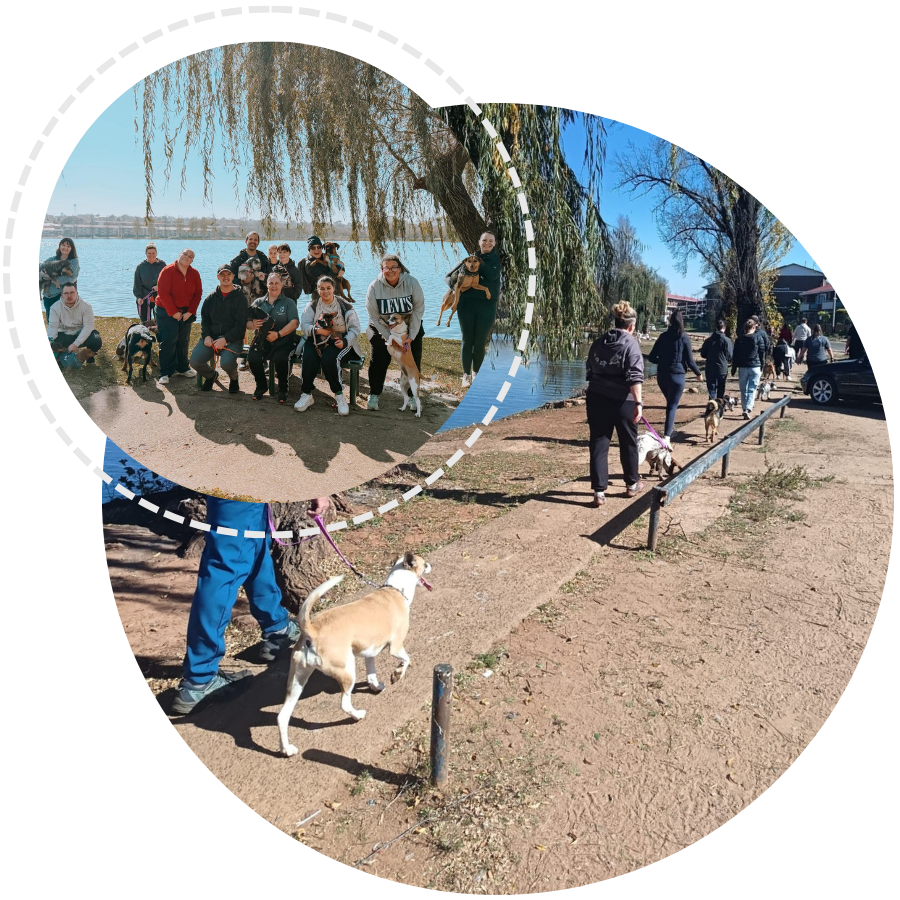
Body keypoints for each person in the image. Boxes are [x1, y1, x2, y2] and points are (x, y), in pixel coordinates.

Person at [172, 496, 331, 715]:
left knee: (256, 546)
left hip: (245, 486)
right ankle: (199, 680)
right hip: (237, 487)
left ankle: (277, 628)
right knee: (224, 567)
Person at [585, 300, 645, 506]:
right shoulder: (631, 344)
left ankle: (599, 492)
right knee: (628, 442)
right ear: (631, 326)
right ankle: (632, 484)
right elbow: (635, 377)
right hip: (623, 401)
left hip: (596, 397)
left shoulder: (598, 342)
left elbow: (589, 370)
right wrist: (639, 403)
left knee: (599, 443)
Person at [294, 275, 363, 416]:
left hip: (339, 341)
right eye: (322, 288)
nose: (325, 291)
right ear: (317, 290)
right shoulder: (312, 306)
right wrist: (317, 330)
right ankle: (306, 394)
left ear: (333, 289)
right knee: (308, 357)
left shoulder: (345, 306)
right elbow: (304, 325)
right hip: (316, 339)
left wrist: (344, 341)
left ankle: (339, 395)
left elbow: (355, 329)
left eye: (328, 288)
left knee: (329, 359)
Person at [364, 253, 426, 410]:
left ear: (400, 269)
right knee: (378, 361)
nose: (390, 271)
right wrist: (389, 338)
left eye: (394, 267)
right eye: (386, 268)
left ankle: (412, 396)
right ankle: (374, 394)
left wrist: (411, 336)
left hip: (408, 328)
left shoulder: (412, 283)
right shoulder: (374, 286)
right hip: (381, 328)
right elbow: (373, 316)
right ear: (382, 269)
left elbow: (418, 310)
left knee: (411, 362)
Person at [189, 264, 250, 393]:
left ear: (233, 276)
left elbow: (241, 326)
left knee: (226, 363)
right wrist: (206, 336)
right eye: (222, 275)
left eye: (228, 274)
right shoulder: (210, 298)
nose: (226, 277)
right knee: (195, 361)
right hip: (212, 339)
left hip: (233, 340)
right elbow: (205, 321)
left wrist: (225, 339)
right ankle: (211, 376)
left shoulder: (240, 298)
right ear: (218, 277)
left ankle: (234, 379)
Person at [647, 309, 702, 442]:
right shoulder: (684, 337)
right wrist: (698, 373)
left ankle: (669, 431)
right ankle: (667, 437)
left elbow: (652, 357)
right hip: (677, 376)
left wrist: (663, 361)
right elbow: (690, 361)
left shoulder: (662, 336)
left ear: (670, 321)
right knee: (672, 405)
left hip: (662, 376)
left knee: (671, 403)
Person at [456, 231, 502, 387]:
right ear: (479, 242)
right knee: (467, 339)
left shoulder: (496, 260)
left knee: (480, 340)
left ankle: (476, 373)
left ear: (494, 243)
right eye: (484, 240)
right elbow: (457, 278)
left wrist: (478, 263)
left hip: (487, 305)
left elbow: (492, 275)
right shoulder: (470, 258)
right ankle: (466, 375)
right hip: (466, 304)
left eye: (491, 241)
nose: (487, 243)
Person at [248, 272, 300, 403]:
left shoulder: (289, 302)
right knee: (252, 357)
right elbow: (247, 322)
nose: (274, 286)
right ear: (267, 285)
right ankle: (261, 385)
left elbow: (294, 323)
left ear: (282, 285)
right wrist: (253, 325)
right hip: (262, 340)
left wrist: (278, 334)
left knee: (280, 358)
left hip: (284, 339)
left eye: (277, 283)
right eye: (271, 283)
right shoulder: (258, 302)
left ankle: (283, 389)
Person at [155, 248, 203, 385]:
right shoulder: (167, 271)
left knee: (183, 340)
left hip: (186, 312)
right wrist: (173, 312)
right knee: (169, 340)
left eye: (190, 256)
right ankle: (165, 372)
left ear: (192, 260)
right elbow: (163, 293)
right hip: (166, 310)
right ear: (179, 255)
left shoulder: (194, 273)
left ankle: (182, 368)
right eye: (185, 254)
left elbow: (198, 294)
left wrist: (191, 311)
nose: (187, 257)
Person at [46, 282, 102, 367]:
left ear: (77, 293)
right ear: (62, 295)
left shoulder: (86, 306)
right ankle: (61, 356)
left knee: (96, 340)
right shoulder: (54, 307)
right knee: (51, 342)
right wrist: (50, 339)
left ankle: (89, 356)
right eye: (66, 293)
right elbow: (53, 326)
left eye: (72, 292)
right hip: (64, 335)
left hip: (80, 334)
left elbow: (88, 327)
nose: (69, 296)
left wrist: (76, 344)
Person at [731, 318, 769, 419]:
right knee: (752, 389)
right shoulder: (758, 338)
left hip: (743, 367)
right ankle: (748, 408)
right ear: (754, 327)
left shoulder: (739, 339)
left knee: (743, 389)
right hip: (755, 366)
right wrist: (762, 365)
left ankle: (744, 408)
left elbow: (735, 354)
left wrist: (734, 367)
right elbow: (762, 352)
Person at [38, 237, 80, 319]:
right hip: (49, 296)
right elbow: (39, 267)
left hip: (65, 296)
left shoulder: (74, 261)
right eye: (63, 245)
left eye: (68, 246)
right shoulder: (52, 259)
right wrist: (41, 274)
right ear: (59, 246)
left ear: (71, 248)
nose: (65, 248)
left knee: (66, 321)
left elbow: (71, 279)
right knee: (51, 322)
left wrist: (51, 278)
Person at [132, 242, 167, 327]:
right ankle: (145, 334)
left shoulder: (162, 265)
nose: (151, 255)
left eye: (153, 253)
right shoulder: (140, 267)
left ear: (156, 253)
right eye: (149, 253)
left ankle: (160, 334)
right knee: (144, 322)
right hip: (144, 297)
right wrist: (138, 297)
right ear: (146, 253)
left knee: (160, 320)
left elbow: (167, 281)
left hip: (158, 296)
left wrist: (159, 287)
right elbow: (137, 284)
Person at [700, 318, 733, 401]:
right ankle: (719, 403)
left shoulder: (708, 340)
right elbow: (730, 356)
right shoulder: (727, 340)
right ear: (724, 328)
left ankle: (711, 403)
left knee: (711, 387)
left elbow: (703, 354)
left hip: (710, 366)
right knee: (721, 387)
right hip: (722, 367)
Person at [300, 235, 333, 301]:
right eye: (313, 248)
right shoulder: (309, 265)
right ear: (309, 250)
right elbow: (326, 278)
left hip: (331, 296)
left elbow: (338, 265)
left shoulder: (325, 257)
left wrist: (341, 267)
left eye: (319, 247)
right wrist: (337, 272)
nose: (316, 250)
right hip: (318, 297)